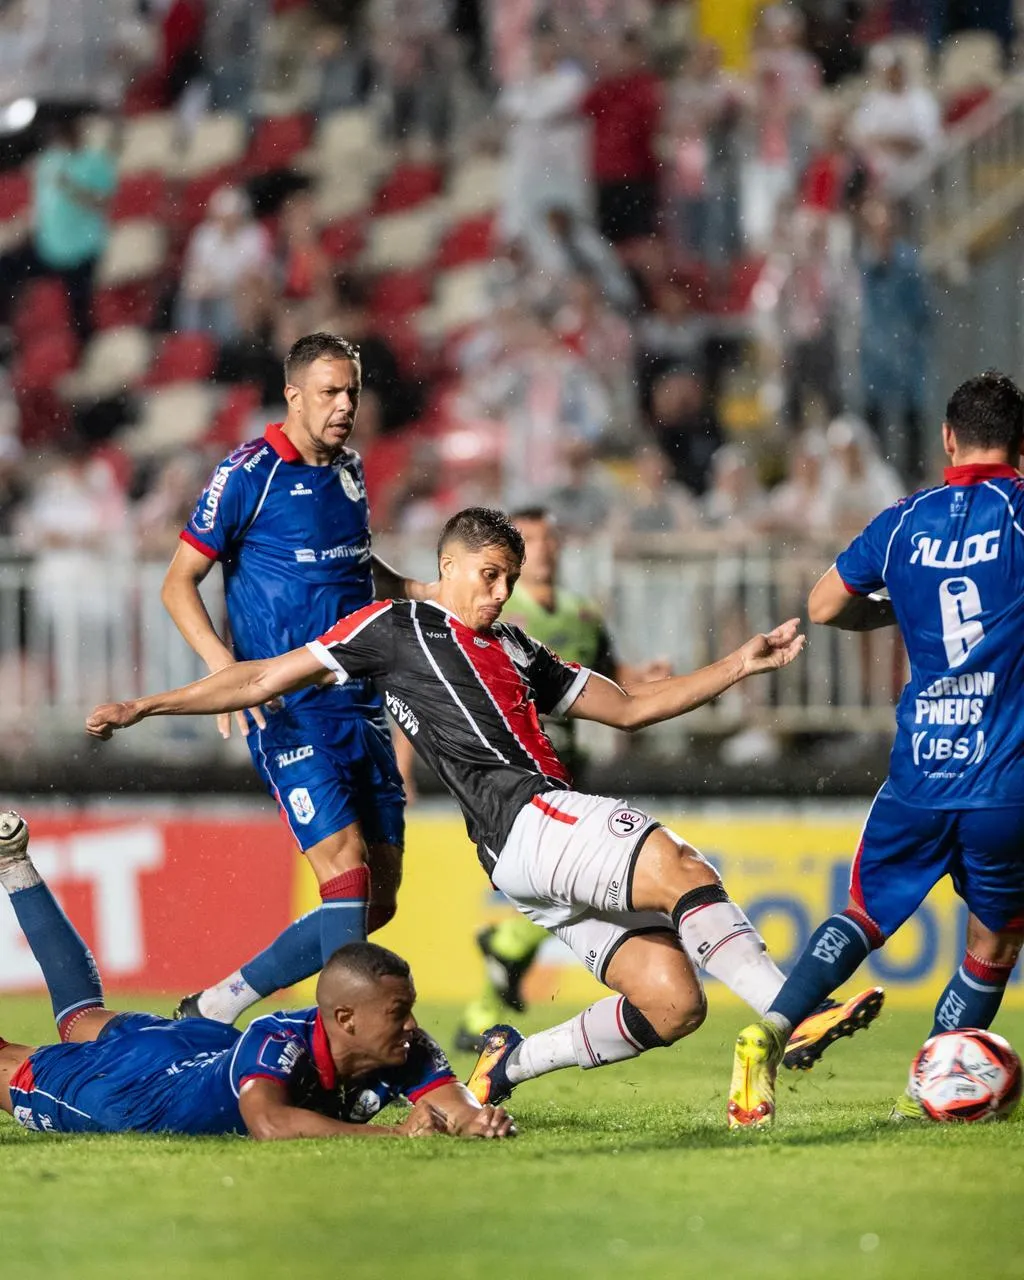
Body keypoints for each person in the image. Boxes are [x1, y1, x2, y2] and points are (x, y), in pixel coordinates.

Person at [89, 506, 882, 1114]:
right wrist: (148, 705)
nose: (500, 593)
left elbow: (632, 707)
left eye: (509, 578)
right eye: (489, 575)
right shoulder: (396, 626)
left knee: (674, 1003)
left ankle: (507, 1063)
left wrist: (738, 664)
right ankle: (792, 1010)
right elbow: (262, 677)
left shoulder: (517, 647)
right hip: (526, 816)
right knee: (679, 864)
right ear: (448, 566)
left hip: (523, 858)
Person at [727, 370, 1024, 1128]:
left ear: (948, 440)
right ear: (1020, 444)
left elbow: (825, 605)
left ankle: (769, 1032)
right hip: (1004, 777)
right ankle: (927, 1086)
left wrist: (899, 610)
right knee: (993, 941)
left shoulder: (904, 519)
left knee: (863, 912)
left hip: (920, 768)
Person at [162, 331, 433, 1027]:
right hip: (290, 708)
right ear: (293, 395)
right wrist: (225, 668)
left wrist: (416, 591)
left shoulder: (351, 470)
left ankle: (216, 1005)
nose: (345, 406)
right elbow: (178, 583)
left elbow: (353, 565)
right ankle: (342, 1049)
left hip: (362, 704)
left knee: (377, 899)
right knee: (345, 874)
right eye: (329, 392)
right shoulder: (247, 474)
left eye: (352, 392)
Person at [0, 811, 513, 1141]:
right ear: (345, 1019)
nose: (412, 1025)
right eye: (399, 1013)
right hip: (133, 1096)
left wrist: (478, 1120)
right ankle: (14, 868)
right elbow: (269, 1122)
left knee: (80, 1020)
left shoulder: (402, 1046)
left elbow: (452, 1102)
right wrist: (394, 1135)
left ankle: (14, 866)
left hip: (195, 1047)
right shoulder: (278, 1038)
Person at [452, 506, 671, 1051]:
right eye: (532, 539)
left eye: (549, 538)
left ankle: (482, 1008)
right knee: (568, 882)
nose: (544, 548)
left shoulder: (582, 614)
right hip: (515, 770)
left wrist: (645, 677)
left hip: (567, 761)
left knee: (561, 886)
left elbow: (608, 677)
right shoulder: (494, 612)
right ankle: (506, 947)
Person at [0, 115, 116, 339]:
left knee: (80, 310)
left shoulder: (96, 162)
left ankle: (85, 346)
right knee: (5, 268)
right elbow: (42, 204)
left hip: (82, 249)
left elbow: (104, 203)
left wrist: (72, 188)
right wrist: (23, 228)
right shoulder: (48, 162)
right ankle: (6, 330)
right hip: (50, 246)